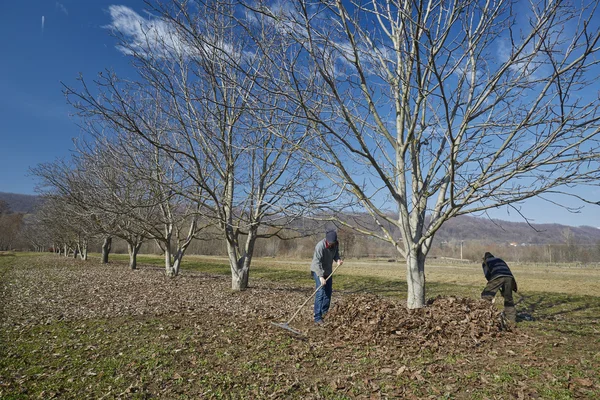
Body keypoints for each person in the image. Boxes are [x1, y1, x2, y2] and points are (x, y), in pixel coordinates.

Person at [310, 230, 343, 325]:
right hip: (317, 270)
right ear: (327, 240)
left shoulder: (336, 244)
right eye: (330, 242)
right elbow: (317, 263)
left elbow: (336, 254)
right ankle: (317, 317)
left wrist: (338, 260)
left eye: (333, 242)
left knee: (328, 292)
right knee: (320, 292)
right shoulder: (320, 246)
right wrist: (320, 277)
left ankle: (325, 312)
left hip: (328, 271)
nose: (331, 244)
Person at [481, 252, 518, 324]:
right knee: (508, 298)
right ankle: (511, 320)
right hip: (509, 278)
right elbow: (507, 271)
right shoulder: (500, 259)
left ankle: (485, 315)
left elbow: (487, 275)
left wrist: (492, 284)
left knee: (486, 295)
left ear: (485, 258)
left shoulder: (486, 262)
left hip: (497, 276)